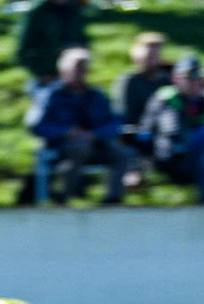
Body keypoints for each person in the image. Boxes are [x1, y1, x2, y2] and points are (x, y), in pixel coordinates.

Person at [28, 46, 131, 205]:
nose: (80, 73)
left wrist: (95, 134)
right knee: (80, 148)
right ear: (63, 71)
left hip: (95, 144)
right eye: (76, 69)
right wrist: (67, 132)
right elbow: (36, 125)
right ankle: (66, 196)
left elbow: (115, 123)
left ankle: (112, 200)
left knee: (122, 154)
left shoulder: (96, 95)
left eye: (84, 69)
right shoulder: (50, 96)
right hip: (60, 148)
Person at [142, 55, 204, 205]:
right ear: (175, 79)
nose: (195, 81)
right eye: (189, 76)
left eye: (199, 76)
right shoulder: (165, 99)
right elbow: (146, 131)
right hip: (172, 157)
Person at [16, 0, 86, 90]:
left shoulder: (74, 10)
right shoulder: (37, 13)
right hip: (48, 77)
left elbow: (82, 40)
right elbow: (23, 50)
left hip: (73, 77)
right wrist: (42, 73)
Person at [112, 31, 169, 141]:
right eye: (148, 57)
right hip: (137, 131)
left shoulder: (167, 81)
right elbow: (123, 114)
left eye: (155, 56)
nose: (151, 61)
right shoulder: (128, 81)